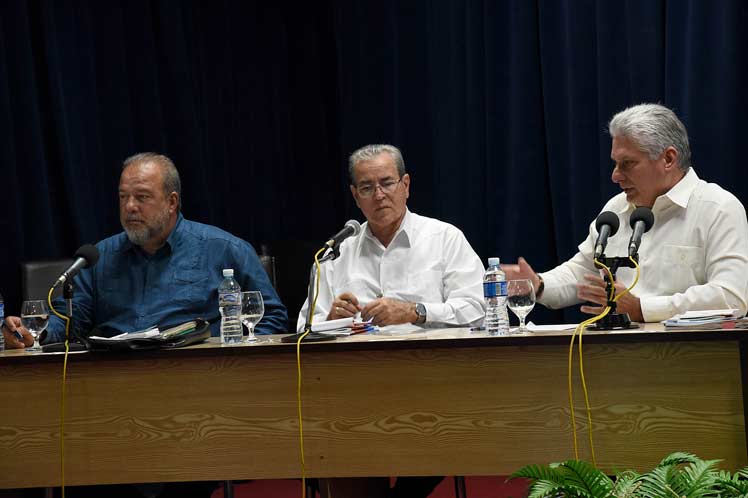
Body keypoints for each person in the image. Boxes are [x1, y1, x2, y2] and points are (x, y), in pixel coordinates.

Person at [297, 144, 485, 498]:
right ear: (355, 196)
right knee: (327, 435)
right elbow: (305, 328)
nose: (379, 194)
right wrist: (332, 319)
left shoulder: (444, 239)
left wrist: (416, 311)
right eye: (367, 187)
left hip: (434, 386)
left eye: (387, 183)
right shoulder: (336, 252)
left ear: (406, 185)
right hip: (354, 391)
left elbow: (479, 306)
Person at [2, 152, 287, 349]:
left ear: (172, 202)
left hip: (202, 376)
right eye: (123, 197)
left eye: (142, 197)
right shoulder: (99, 257)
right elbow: (69, 326)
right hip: (115, 381)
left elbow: (272, 319)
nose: (129, 207)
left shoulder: (225, 249)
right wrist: (30, 336)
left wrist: (226, 353)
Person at [503, 103, 748, 322]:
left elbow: (731, 296)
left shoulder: (718, 208)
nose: (615, 175)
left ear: (669, 159)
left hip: (695, 359)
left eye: (627, 163)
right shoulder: (615, 210)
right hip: (617, 358)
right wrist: (538, 284)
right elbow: (582, 272)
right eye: (615, 163)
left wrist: (642, 308)